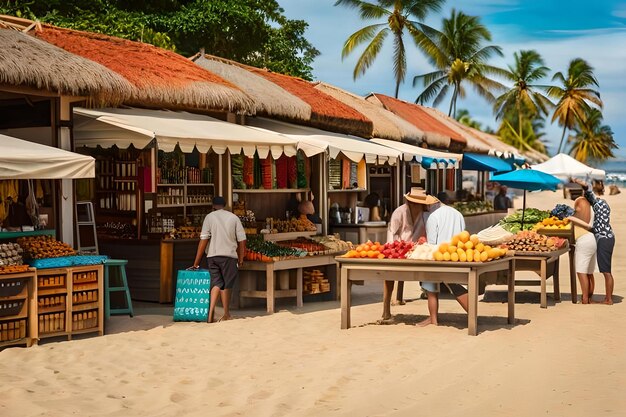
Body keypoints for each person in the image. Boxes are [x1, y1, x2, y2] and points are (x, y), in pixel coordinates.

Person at [382, 187, 437, 320]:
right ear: (411, 203)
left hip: (416, 250)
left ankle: (431, 312)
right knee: (389, 275)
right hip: (397, 248)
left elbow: (428, 233)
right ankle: (386, 309)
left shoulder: (426, 214)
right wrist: (392, 250)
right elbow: (391, 232)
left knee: (430, 273)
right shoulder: (399, 212)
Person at [191, 196, 247, 322]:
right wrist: (241, 259)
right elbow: (242, 240)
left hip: (213, 256)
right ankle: (226, 314)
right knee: (226, 285)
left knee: (217, 283)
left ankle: (210, 313)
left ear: (213, 205)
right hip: (229, 256)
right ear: (225, 205)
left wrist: (196, 262)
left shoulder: (209, 217)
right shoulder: (234, 218)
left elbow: (204, 240)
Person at [419, 192, 468, 326]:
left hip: (438, 256)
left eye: (427, 206)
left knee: (430, 288)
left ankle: (433, 319)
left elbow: (432, 243)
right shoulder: (458, 214)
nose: (427, 209)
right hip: (456, 255)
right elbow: (463, 235)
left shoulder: (433, 217)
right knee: (456, 286)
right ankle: (473, 314)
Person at [576, 179, 615, 304]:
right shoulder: (604, 203)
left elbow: (587, 190)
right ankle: (608, 297)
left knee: (606, 271)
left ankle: (608, 299)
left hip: (603, 238)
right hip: (608, 236)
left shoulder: (596, 203)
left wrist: (577, 181)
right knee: (606, 270)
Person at [566, 196, 597, 304]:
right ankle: (589, 297)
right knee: (589, 272)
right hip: (591, 240)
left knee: (581, 271)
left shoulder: (579, 217)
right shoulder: (590, 211)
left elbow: (586, 225)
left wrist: (569, 217)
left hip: (584, 241)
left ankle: (584, 299)